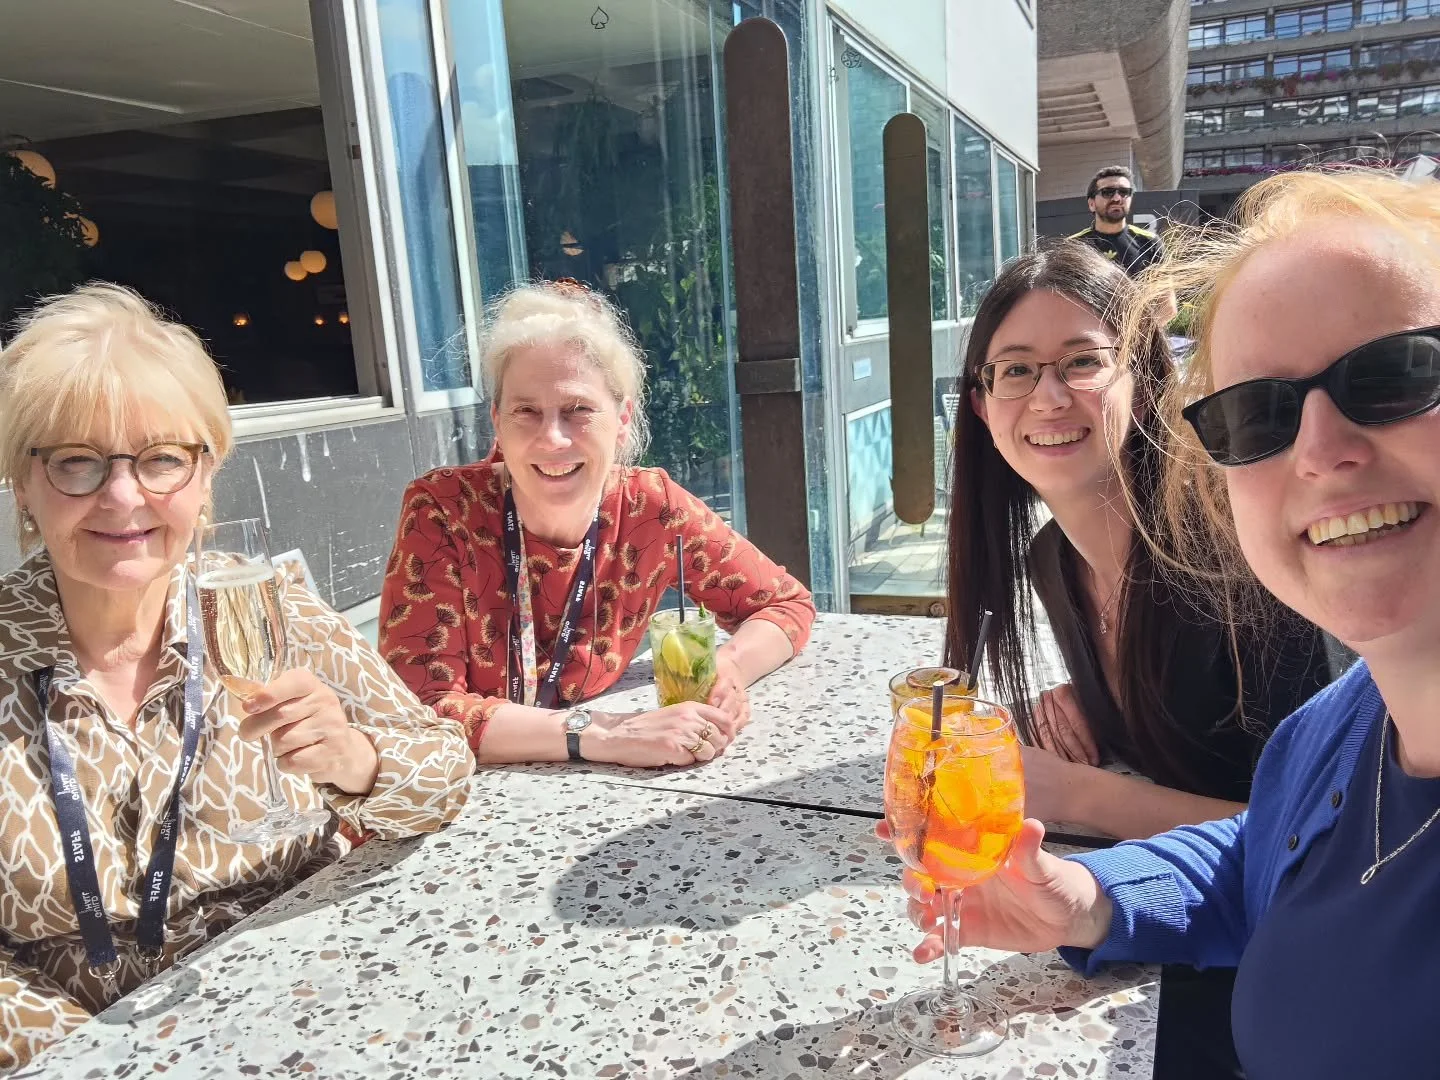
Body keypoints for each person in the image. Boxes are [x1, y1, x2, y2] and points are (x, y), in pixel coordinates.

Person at [900, 168, 1440, 1079]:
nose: (1320, 450)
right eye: (1257, 413)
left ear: (1146, 383)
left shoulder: (1244, 594)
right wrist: (1085, 896)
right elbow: (1273, 846)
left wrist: (1077, 799)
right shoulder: (1345, 722)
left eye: (1395, 376)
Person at [0, 284, 475, 1070]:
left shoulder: (262, 606)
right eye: (75, 462)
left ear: (206, 475)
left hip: (313, 1007)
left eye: (160, 459)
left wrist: (358, 762)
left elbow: (447, 773)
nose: (123, 498)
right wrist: (93, 1056)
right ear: (23, 482)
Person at [945, 240, 1331, 1077]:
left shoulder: (1231, 560)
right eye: (1014, 370)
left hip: (1275, 974)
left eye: (1082, 361)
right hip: (1148, 942)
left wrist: (1085, 794)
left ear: (1143, 375)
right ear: (981, 405)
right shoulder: (1051, 562)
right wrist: (1102, 697)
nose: (1048, 395)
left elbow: (1310, 840)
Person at [379, 280, 815, 768]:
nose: (553, 439)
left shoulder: (651, 507)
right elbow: (420, 712)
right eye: (527, 411)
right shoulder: (442, 511)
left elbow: (785, 603)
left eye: (577, 410)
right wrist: (602, 735)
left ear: (623, 417)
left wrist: (727, 668)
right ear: (497, 420)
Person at [1069, 166, 1163, 277]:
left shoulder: (1150, 243)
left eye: (1124, 192)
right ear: (1091, 204)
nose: (1117, 198)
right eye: (1107, 192)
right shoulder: (1072, 246)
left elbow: (1165, 293)